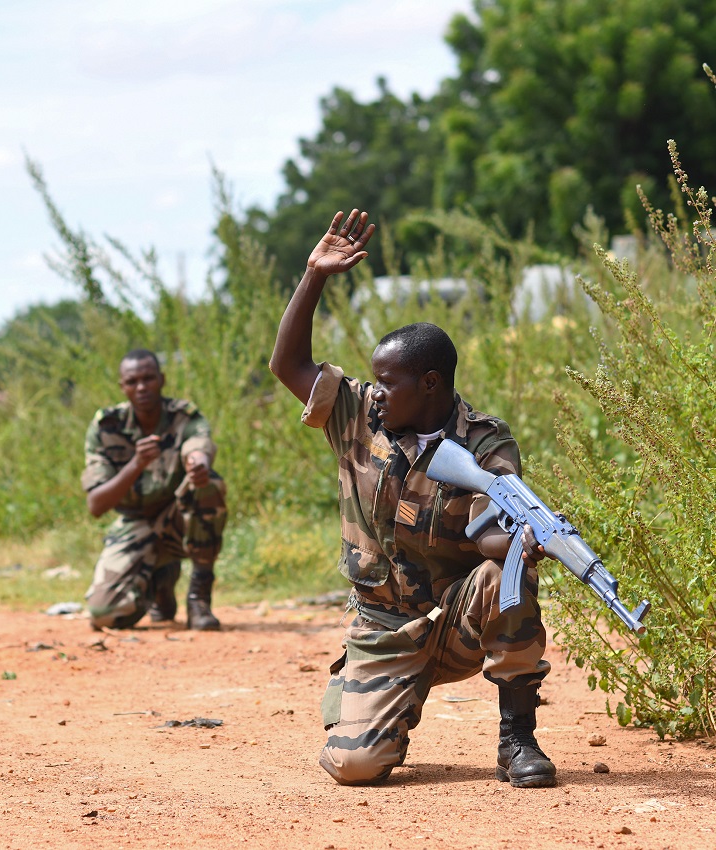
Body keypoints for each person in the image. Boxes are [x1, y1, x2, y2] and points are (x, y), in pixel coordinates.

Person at [268, 209, 556, 788]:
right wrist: (314, 276)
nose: (377, 391)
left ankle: (517, 740)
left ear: (430, 383)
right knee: (355, 767)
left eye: (389, 381)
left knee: (508, 570)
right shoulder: (357, 415)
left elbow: (490, 532)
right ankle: (378, 700)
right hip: (381, 626)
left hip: (454, 620)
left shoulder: (484, 443)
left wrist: (526, 542)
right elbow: (287, 364)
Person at [81, 349, 227, 631]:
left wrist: (199, 464)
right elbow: (96, 505)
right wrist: (136, 463)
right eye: (132, 381)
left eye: (148, 378)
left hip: (178, 518)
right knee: (103, 614)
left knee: (210, 485)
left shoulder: (183, 415)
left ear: (161, 380)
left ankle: (199, 598)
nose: (141, 387)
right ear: (122, 386)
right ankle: (158, 583)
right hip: (134, 525)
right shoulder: (105, 425)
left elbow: (199, 445)